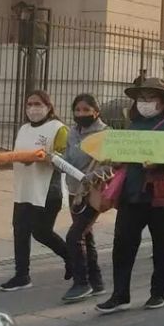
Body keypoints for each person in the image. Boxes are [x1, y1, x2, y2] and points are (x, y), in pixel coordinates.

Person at [96, 78, 164, 314]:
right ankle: (120, 295)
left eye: (151, 98)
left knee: (163, 246)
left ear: (163, 101)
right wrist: (116, 159)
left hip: (161, 197)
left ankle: (160, 293)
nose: (145, 102)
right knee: (122, 245)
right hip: (131, 194)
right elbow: (123, 157)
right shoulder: (132, 126)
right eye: (141, 98)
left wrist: (161, 162)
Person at [0, 90, 71, 291]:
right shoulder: (24, 129)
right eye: (29, 104)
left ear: (48, 106)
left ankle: (71, 258)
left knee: (41, 232)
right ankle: (22, 275)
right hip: (24, 189)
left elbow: (65, 159)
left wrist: (41, 158)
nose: (33, 109)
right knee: (20, 230)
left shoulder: (58, 129)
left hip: (47, 190)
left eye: (38, 104)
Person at [60, 94, 109, 302]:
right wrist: (57, 161)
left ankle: (81, 282)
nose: (81, 114)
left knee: (74, 236)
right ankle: (96, 282)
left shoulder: (105, 134)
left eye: (86, 110)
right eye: (77, 110)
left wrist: (94, 175)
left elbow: (112, 165)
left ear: (96, 112)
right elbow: (68, 158)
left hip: (93, 192)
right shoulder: (72, 133)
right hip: (74, 191)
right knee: (86, 237)